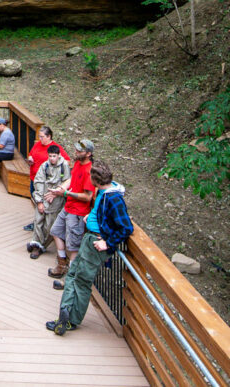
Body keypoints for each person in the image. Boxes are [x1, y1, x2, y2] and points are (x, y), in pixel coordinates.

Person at [47, 159, 133, 335]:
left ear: (96, 181)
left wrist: (107, 242)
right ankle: (65, 313)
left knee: (82, 280)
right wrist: (91, 218)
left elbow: (126, 227)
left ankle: (71, 319)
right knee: (73, 274)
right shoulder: (104, 192)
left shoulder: (114, 198)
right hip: (90, 238)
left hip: (96, 243)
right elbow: (101, 212)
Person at [46, 138, 96, 280]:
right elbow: (71, 180)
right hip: (68, 207)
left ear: (88, 154)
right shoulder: (78, 164)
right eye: (76, 149)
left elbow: (87, 197)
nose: (76, 152)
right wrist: (59, 190)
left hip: (78, 213)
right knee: (55, 231)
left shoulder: (89, 170)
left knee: (73, 246)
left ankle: (71, 277)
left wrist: (66, 194)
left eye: (79, 151)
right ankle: (62, 264)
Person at [26, 144, 70, 259]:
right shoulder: (44, 166)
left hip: (56, 201)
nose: (52, 158)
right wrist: (39, 201)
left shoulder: (63, 166)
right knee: (38, 221)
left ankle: (42, 245)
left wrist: (57, 193)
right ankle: (36, 243)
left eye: (54, 156)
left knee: (50, 225)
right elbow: (38, 182)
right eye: (50, 156)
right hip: (44, 197)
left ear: (59, 155)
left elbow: (67, 182)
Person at [23, 126, 70, 231]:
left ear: (49, 136)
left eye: (42, 136)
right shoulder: (37, 145)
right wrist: (30, 159)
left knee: (45, 203)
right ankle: (37, 221)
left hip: (47, 183)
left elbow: (66, 161)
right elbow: (31, 154)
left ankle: (43, 224)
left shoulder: (56, 148)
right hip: (34, 178)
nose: (40, 139)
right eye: (39, 136)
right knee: (35, 199)